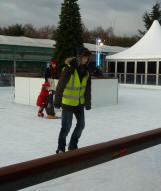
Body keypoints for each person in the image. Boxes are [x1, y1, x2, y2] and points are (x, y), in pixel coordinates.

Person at [54, 47, 92, 153]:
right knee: (66, 128)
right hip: (68, 104)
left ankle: (73, 145)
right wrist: (57, 100)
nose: (86, 60)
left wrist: (87, 102)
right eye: (84, 57)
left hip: (79, 104)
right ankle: (60, 148)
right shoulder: (69, 69)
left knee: (81, 125)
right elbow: (60, 85)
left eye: (87, 58)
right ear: (79, 57)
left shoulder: (87, 72)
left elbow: (87, 89)